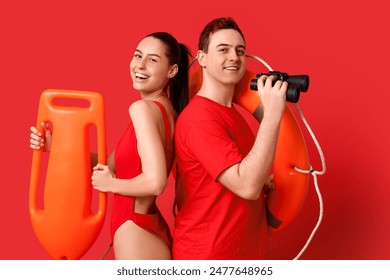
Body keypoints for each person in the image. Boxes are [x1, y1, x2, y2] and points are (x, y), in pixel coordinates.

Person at [30, 32, 191, 260]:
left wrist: (111, 184)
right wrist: (55, 146)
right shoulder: (169, 113)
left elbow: (155, 183)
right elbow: (111, 164)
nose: (140, 65)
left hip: (135, 230)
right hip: (146, 227)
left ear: (172, 71)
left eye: (153, 60)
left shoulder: (142, 110)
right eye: (137, 56)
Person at [172, 17, 287, 259]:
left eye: (240, 50)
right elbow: (246, 185)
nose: (234, 57)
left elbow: (237, 175)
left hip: (245, 254)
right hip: (210, 256)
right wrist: (272, 114)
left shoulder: (231, 114)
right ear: (202, 58)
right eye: (223, 49)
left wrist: (261, 178)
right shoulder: (200, 119)